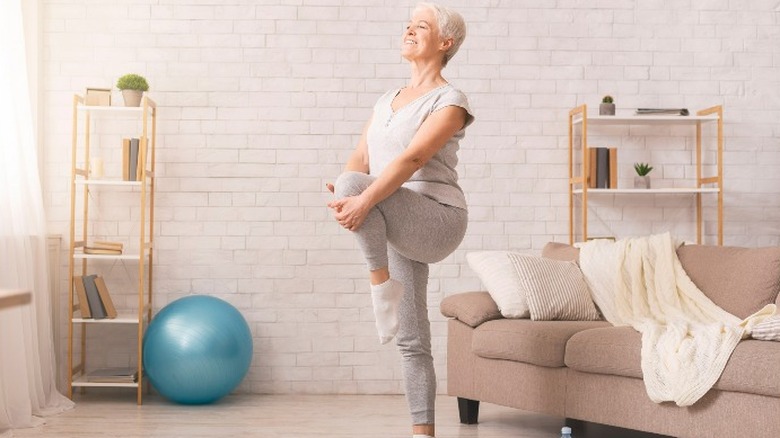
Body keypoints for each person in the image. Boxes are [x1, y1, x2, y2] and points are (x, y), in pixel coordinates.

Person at [326, 3, 473, 437]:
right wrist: (345, 191)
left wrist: (362, 196)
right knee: (411, 338)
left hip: (438, 217)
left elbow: (414, 158)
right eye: (407, 25)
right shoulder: (386, 100)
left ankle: (378, 283)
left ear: (444, 43)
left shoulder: (451, 100)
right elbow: (361, 158)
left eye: (420, 26)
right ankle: (422, 432)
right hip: (393, 213)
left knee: (356, 186)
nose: (409, 30)